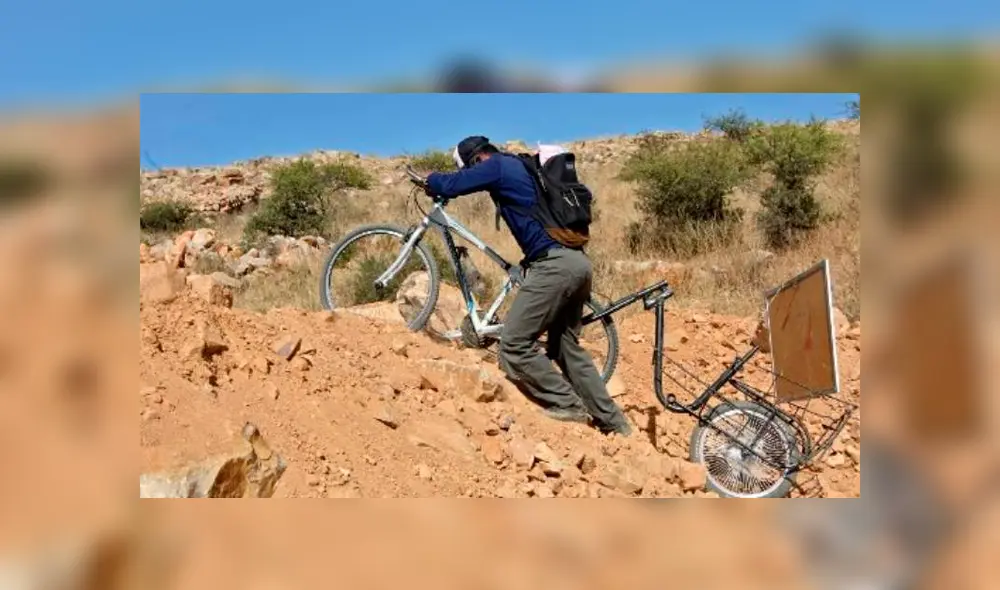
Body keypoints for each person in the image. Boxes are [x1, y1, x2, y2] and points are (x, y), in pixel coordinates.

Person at [424, 136, 633, 436]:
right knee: (566, 347)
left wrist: (430, 181)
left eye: (469, 166)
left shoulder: (497, 165)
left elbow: (454, 185)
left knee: (513, 345)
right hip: (576, 264)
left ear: (476, 159)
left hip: (555, 268)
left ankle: (569, 404)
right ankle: (616, 425)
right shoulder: (523, 166)